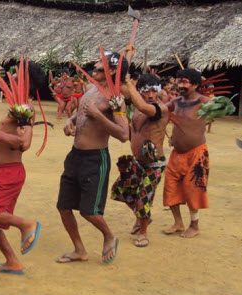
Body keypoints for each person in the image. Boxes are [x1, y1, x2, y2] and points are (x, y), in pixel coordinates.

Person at [56, 52, 129, 264]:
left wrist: (98, 115)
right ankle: (79, 249)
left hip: (95, 159)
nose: (93, 72)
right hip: (75, 155)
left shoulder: (115, 100)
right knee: (64, 206)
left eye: (97, 69)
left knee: (90, 212)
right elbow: (80, 113)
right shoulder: (90, 90)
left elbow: (124, 135)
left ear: (111, 72)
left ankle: (109, 235)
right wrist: (70, 121)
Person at [0, 60, 44, 274]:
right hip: (3, 170)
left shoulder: (25, 108)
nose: (12, 77)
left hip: (9, 172)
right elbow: (14, 139)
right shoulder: (18, 106)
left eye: (17, 75)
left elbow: (24, 144)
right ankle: (12, 261)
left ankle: (25, 225)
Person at [111, 73, 169, 247]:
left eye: (154, 91)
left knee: (143, 197)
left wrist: (129, 83)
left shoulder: (159, 108)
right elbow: (118, 88)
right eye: (146, 91)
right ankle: (142, 217)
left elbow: (144, 107)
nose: (151, 95)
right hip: (137, 161)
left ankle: (143, 232)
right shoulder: (135, 107)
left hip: (154, 164)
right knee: (120, 190)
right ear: (139, 91)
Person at [162, 68, 213, 238]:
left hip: (197, 153)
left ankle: (194, 225)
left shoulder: (206, 102)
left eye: (184, 82)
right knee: (170, 186)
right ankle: (178, 222)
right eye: (179, 81)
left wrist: (219, 108)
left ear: (196, 85)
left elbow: (222, 109)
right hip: (177, 154)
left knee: (193, 190)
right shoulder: (175, 101)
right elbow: (158, 110)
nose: (180, 85)